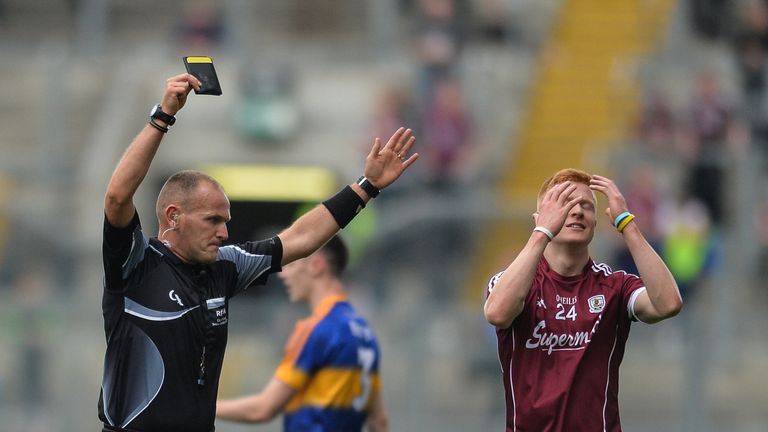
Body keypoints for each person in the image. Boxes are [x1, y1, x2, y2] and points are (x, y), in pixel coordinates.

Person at [99, 73, 417, 432]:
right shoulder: (136, 263)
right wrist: (162, 118)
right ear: (174, 216)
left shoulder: (225, 265)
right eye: (212, 220)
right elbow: (116, 198)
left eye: (226, 220)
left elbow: (299, 239)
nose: (224, 231)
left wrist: (366, 186)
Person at [483, 168, 683, 431]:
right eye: (565, 205)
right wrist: (541, 233)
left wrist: (627, 224)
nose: (577, 212)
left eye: (586, 207)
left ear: (595, 222)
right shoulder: (512, 283)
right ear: (540, 218)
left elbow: (668, 303)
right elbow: (497, 313)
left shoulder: (615, 286)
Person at [216, 235, 387, 431]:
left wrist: (206, 408)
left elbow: (262, 409)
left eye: (289, 265)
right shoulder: (364, 332)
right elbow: (379, 421)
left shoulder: (316, 329)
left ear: (316, 265)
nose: (282, 274)